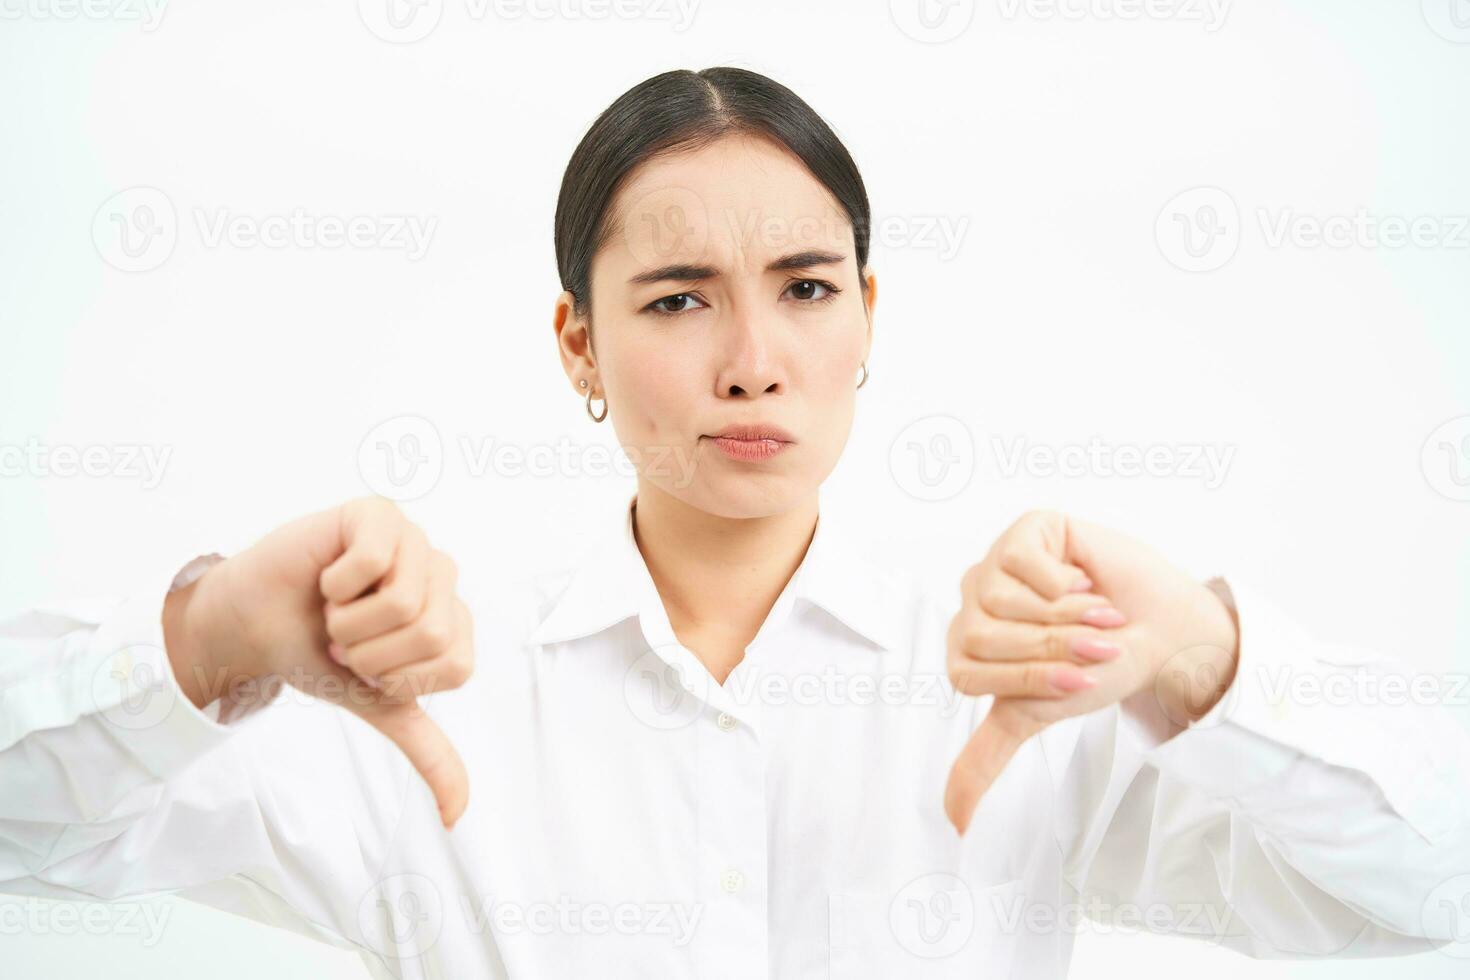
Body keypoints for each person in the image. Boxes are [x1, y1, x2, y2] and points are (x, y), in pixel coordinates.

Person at [2, 67, 1467, 980]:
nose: (753, 356)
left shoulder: (1030, 683)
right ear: (577, 346)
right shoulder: (399, 686)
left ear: (867, 318)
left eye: (807, 287)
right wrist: (206, 641)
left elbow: (1426, 891)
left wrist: (1201, 656)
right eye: (677, 297)